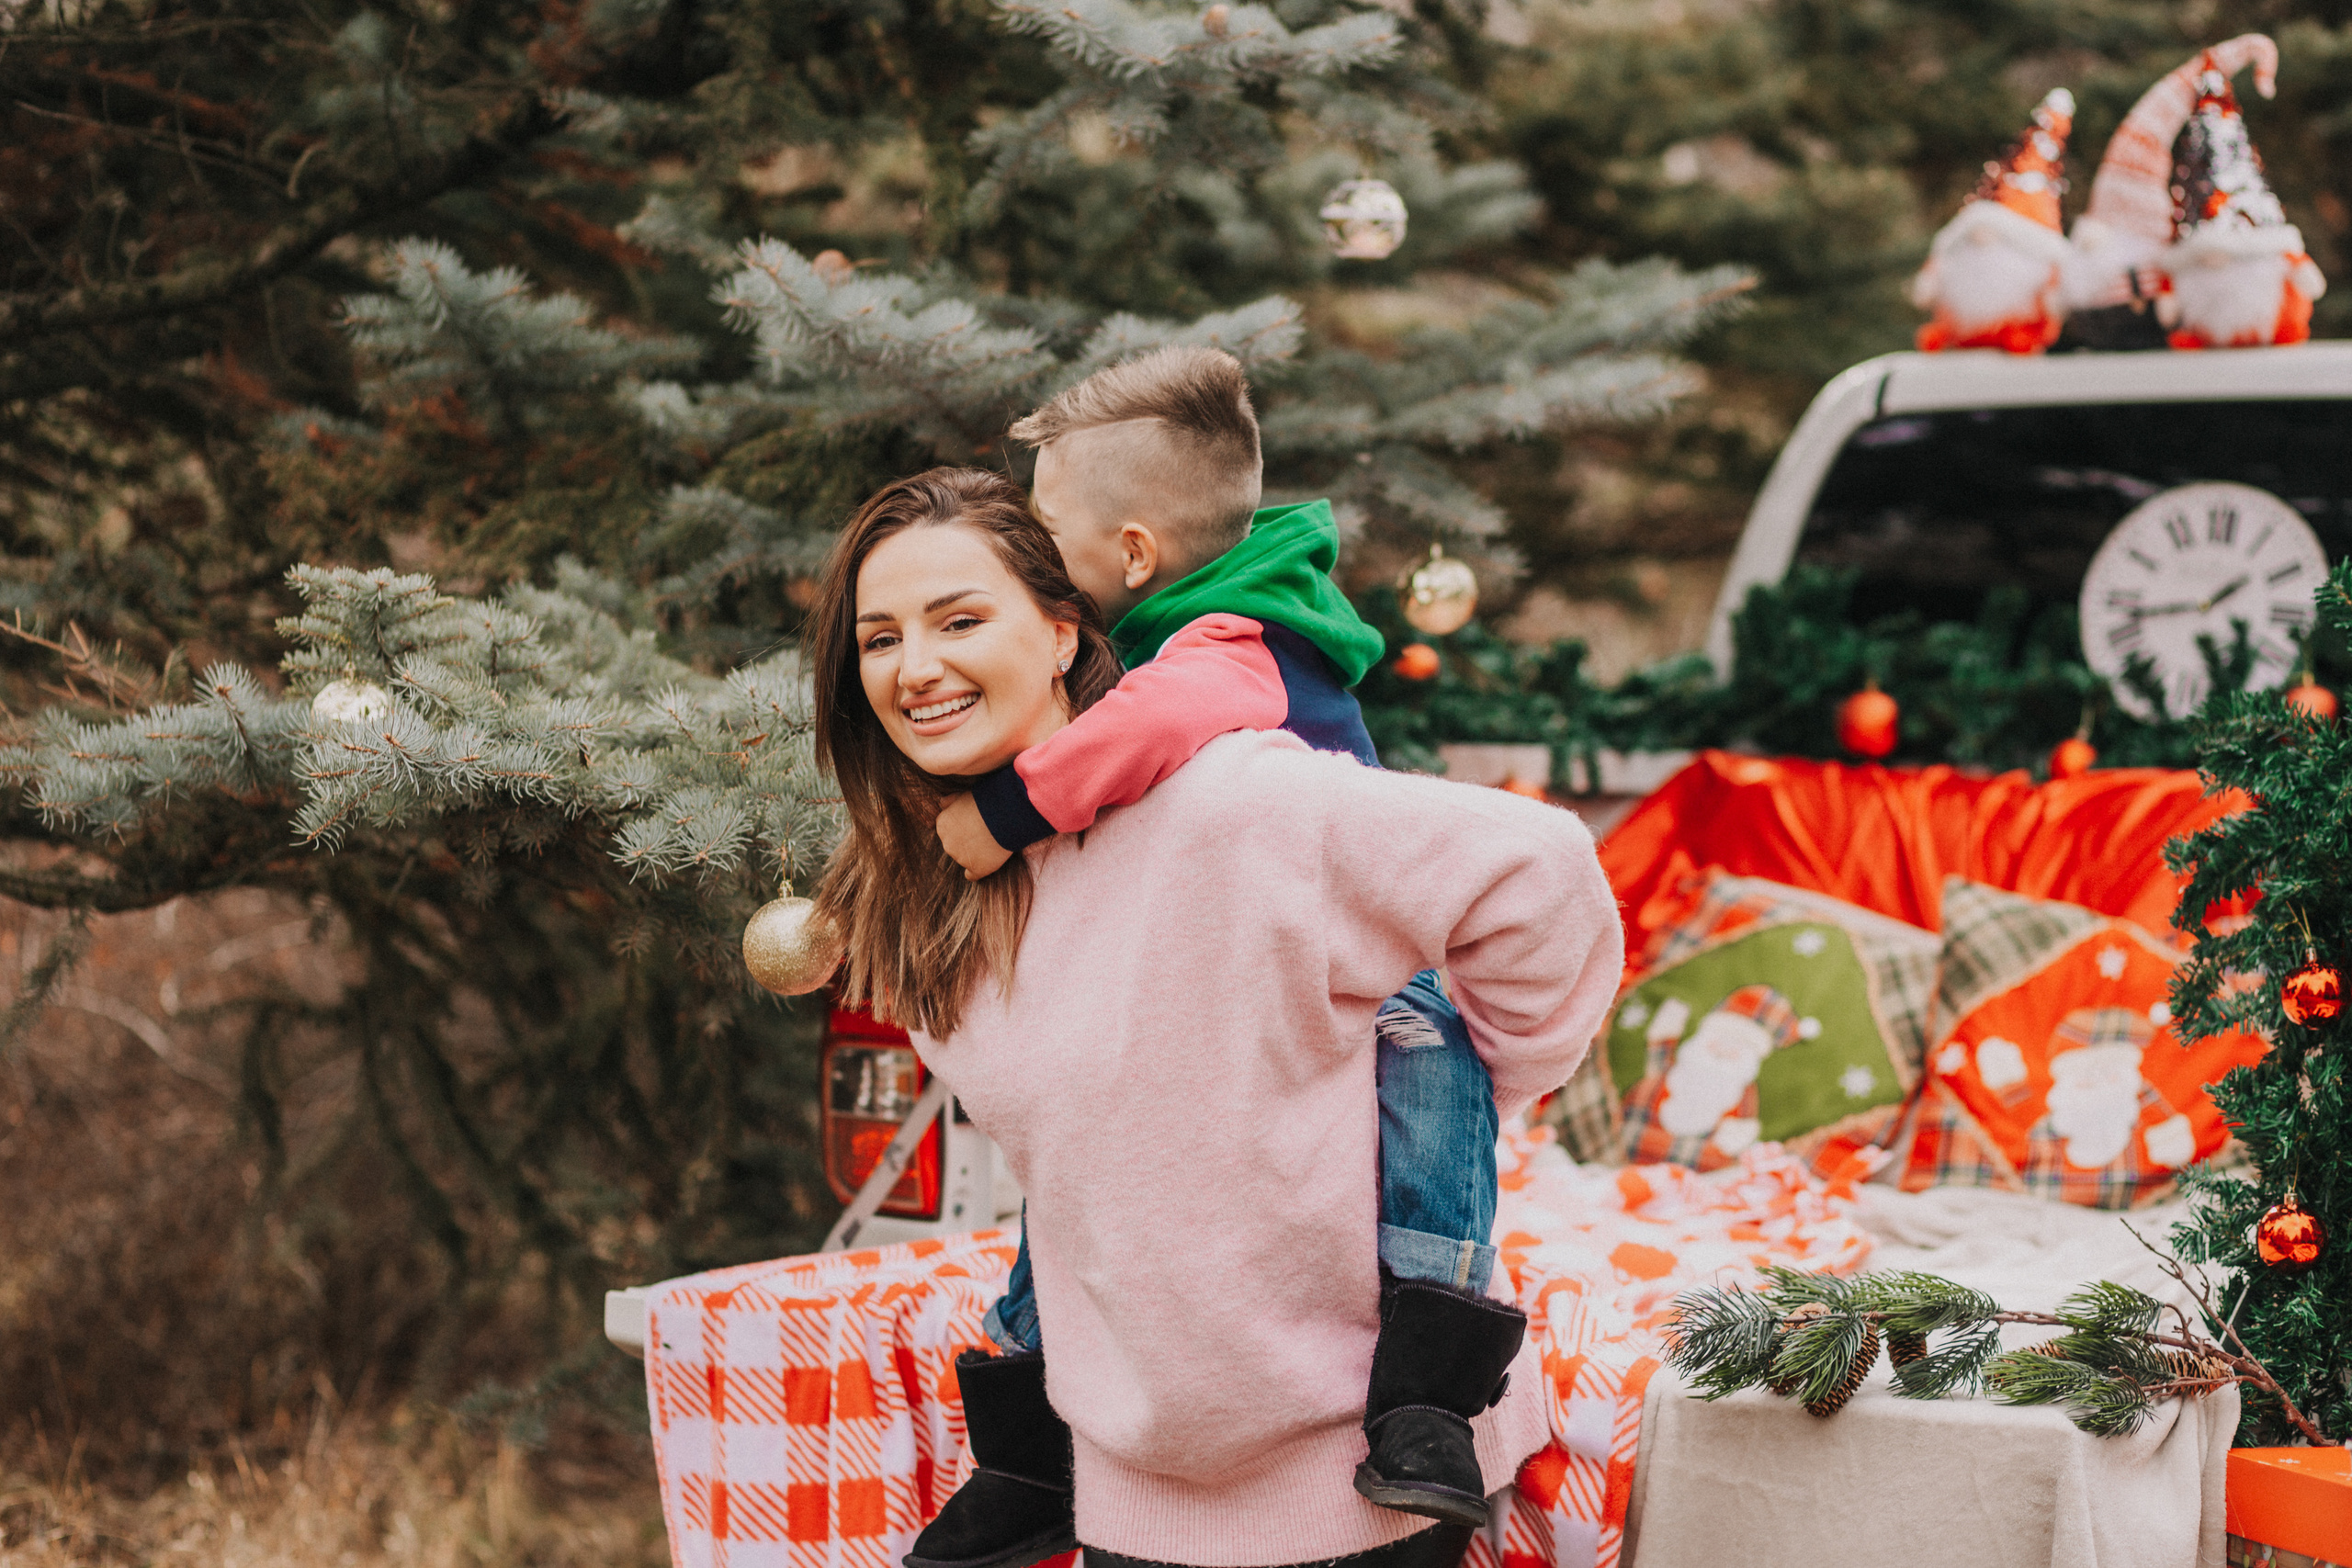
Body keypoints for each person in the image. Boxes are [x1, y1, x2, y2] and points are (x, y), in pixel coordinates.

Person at [808, 467, 1622, 1568]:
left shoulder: (1225, 809)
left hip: (1361, 1489)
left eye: (960, 619)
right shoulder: (929, 907)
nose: (918, 667)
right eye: (879, 639)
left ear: (1060, 633)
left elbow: (1541, 874)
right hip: (1134, 1488)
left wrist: (1459, 1084)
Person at [922, 348, 1515, 1560]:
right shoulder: (1147, 626)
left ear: (1133, 551)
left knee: (1433, 1060)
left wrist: (999, 814)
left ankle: (1423, 1391)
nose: (1030, 553)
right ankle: (1037, 1431)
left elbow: (1156, 727)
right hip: (1208, 968)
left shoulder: (1227, 637)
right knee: (1095, 1134)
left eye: (1044, 525)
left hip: (1350, 950)